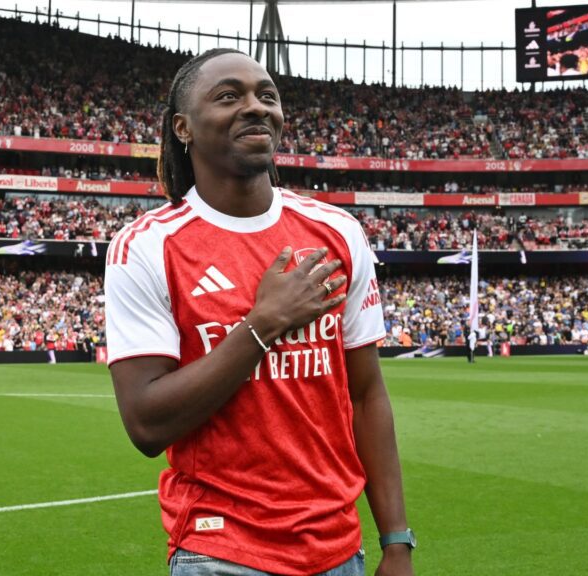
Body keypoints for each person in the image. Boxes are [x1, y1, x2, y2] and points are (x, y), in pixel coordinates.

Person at [104, 48, 415, 576]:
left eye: (267, 95)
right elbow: (146, 424)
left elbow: (366, 396)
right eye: (229, 96)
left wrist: (397, 541)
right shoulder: (146, 247)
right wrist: (265, 322)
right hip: (219, 552)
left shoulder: (338, 233)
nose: (255, 106)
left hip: (340, 550)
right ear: (183, 127)